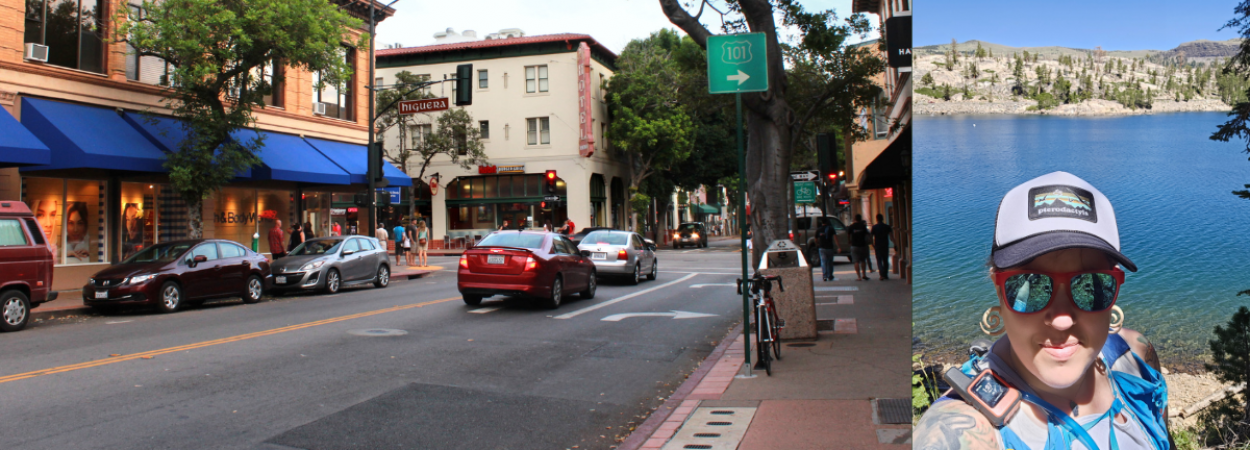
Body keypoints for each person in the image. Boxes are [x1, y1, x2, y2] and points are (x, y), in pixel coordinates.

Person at [914, 172, 1169, 450]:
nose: (1061, 320)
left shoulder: (1136, 359)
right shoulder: (961, 431)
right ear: (998, 290)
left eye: (1091, 285)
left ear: (1115, 285)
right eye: (1030, 286)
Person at [870, 214, 894, 281]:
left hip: (877, 245)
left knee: (879, 260)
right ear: (883, 218)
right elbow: (891, 237)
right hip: (885, 245)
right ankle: (885, 274)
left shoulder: (874, 227)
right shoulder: (887, 227)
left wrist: (872, 244)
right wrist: (895, 244)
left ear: (876, 219)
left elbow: (871, 237)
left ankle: (881, 274)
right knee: (885, 260)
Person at [847, 215, 871, 281]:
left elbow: (848, 235)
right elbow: (868, 234)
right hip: (863, 245)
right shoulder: (863, 226)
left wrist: (849, 241)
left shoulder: (851, 226)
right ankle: (864, 275)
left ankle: (859, 276)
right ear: (860, 219)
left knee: (856, 261)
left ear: (855, 219)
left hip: (854, 245)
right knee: (863, 260)